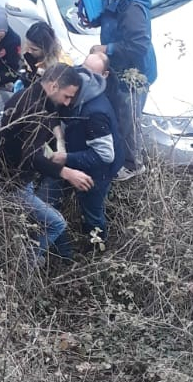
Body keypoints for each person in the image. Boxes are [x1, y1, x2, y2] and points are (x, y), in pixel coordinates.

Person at [0, 63, 93, 263]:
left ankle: (58, 257)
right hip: (11, 183)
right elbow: (32, 157)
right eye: (67, 96)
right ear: (54, 86)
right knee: (57, 223)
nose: (67, 103)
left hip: (12, 174)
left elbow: (51, 114)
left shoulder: (27, 94)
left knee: (36, 219)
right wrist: (67, 172)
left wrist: (59, 140)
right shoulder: (35, 113)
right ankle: (25, 265)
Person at [41, 52, 125, 252]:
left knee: (92, 211)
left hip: (99, 170)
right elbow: (54, 111)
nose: (65, 103)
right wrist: (59, 136)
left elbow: (105, 156)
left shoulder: (95, 113)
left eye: (68, 99)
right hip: (77, 153)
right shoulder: (72, 83)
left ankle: (97, 249)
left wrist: (66, 157)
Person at [86, 0, 157, 180]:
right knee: (118, 113)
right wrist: (97, 20)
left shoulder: (133, 6)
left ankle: (132, 165)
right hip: (119, 68)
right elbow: (112, 15)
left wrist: (106, 48)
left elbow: (138, 46)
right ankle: (118, 154)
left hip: (134, 74)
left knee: (129, 120)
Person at [21, 21, 72, 86]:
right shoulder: (29, 51)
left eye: (34, 49)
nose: (29, 51)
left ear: (46, 49)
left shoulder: (60, 65)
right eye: (28, 45)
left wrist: (42, 73)